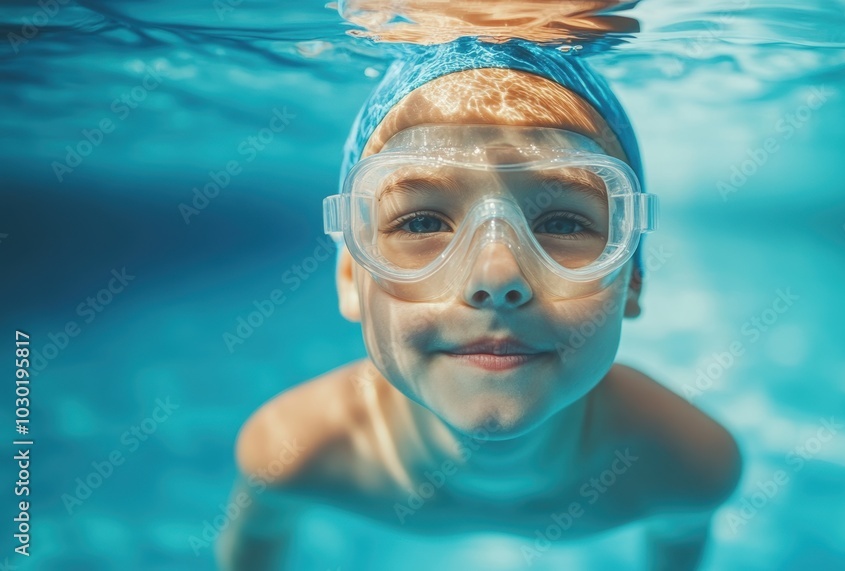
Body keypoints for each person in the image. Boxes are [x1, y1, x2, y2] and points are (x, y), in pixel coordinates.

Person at [217, 30, 741, 571]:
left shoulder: (689, 464)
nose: (496, 276)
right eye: (421, 221)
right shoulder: (291, 452)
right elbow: (253, 546)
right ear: (351, 276)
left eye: (562, 222)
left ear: (631, 278)